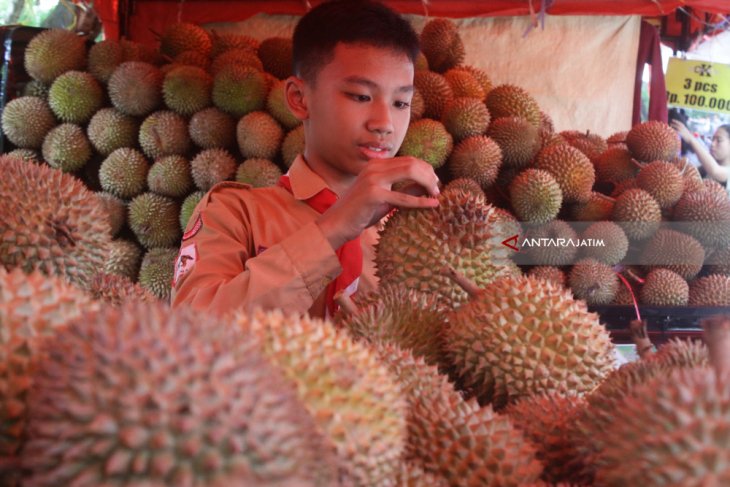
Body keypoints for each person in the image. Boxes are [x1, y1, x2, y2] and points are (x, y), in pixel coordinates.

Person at [170, 0, 440, 319]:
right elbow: (191, 330)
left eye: (401, 103)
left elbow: (503, 268)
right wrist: (334, 228)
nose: (384, 123)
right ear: (299, 99)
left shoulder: (417, 228)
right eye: (361, 97)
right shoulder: (233, 214)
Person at [671, 119, 730, 190]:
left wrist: (691, 139)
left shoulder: (725, 170)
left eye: (719, 140)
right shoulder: (704, 168)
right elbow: (690, 172)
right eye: (712, 139)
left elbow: (715, 171)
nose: (712, 144)